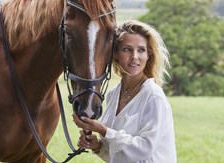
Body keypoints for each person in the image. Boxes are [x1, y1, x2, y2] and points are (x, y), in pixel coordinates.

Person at [73, 20, 177, 162]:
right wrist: (97, 146)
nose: (135, 56)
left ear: (149, 55)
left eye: (141, 50)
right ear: (115, 53)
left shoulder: (154, 96)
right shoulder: (113, 95)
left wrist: (103, 130)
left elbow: (143, 150)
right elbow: (120, 156)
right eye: (127, 49)